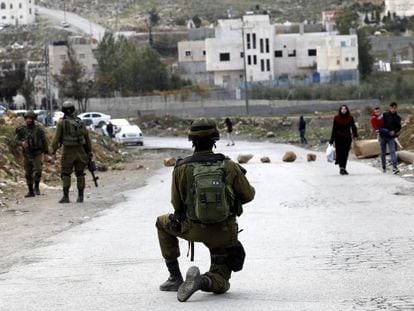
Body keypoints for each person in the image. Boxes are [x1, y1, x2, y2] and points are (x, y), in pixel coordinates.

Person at [155, 118, 255, 302]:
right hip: (224, 235)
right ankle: (202, 281)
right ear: (215, 139)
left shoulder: (181, 168)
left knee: (161, 223)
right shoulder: (229, 165)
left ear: (191, 140)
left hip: (193, 229)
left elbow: (176, 205)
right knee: (222, 282)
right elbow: (248, 195)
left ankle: (174, 277)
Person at [51, 101, 93, 203]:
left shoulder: (62, 122)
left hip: (68, 152)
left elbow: (56, 139)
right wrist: (89, 151)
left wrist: (53, 151)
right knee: (80, 174)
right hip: (81, 151)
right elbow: (87, 137)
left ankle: (66, 197)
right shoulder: (80, 121)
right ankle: (80, 197)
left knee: (66, 174)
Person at [15, 110, 49, 197]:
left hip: (37, 152)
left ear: (34, 119)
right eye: (27, 118)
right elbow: (14, 140)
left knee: (38, 170)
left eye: (30, 118)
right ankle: (30, 191)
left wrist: (46, 153)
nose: (28, 120)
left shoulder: (39, 130)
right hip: (27, 153)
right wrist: (21, 143)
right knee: (28, 173)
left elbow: (44, 141)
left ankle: (36, 187)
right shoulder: (21, 130)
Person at [329, 105, 358, 175]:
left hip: (347, 138)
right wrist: (332, 139)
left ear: (347, 110)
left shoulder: (350, 118)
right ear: (340, 110)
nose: (343, 110)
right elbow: (334, 129)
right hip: (338, 138)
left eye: (345, 109)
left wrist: (355, 134)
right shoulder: (336, 118)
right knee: (339, 153)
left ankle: (343, 168)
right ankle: (341, 168)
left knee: (345, 153)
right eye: (342, 109)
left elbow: (353, 126)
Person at [379, 102, 401, 174]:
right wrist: (387, 131)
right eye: (392, 108)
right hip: (383, 136)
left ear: (397, 108)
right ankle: (383, 166)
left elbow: (399, 127)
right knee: (383, 152)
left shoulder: (398, 118)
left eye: (395, 108)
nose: (393, 110)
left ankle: (395, 167)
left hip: (391, 137)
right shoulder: (384, 115)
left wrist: (395, 131)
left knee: (392, 151)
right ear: (389, 108)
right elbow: (380, 125)